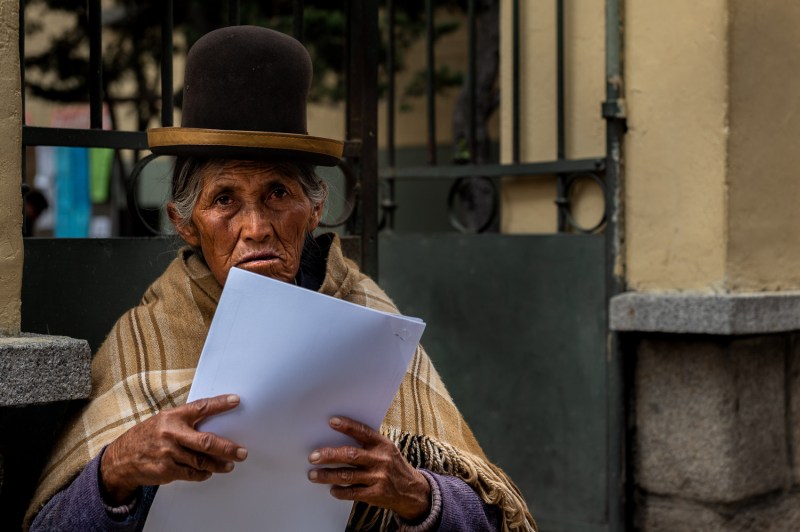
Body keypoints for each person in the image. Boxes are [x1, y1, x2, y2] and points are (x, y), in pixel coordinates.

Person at [24, 26, 536, 532]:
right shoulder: (143, 342)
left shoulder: (370, 323)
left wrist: (417, 495)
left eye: (278, 194)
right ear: (186, 224)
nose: (256, 228)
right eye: (224, 200)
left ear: (315, 209)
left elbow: (490, 522)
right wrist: (116, 472)